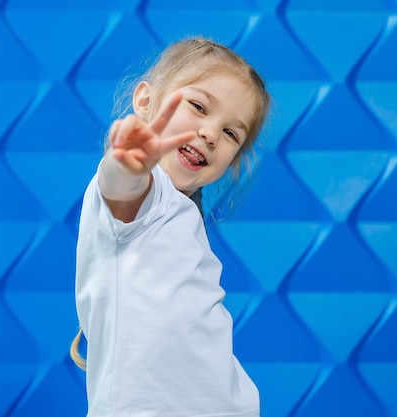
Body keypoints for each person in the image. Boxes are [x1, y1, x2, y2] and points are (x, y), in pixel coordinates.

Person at [71, 36, 271, 417]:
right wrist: (128, 163)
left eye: (231, 133)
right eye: (198, 106)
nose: (211, 134)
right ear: (145, 102)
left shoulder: (182, 215)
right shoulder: (147, 191)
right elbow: (122, 185)